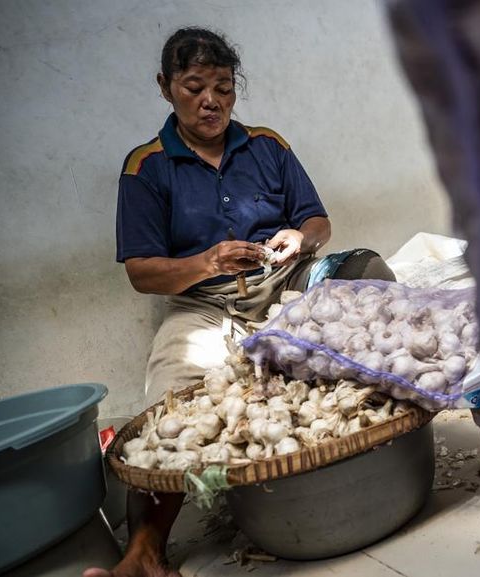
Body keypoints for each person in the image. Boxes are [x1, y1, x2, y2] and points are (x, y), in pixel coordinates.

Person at [86, 27, 394, 577]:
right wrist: (208, 262)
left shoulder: (268, 146)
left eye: (224, 87)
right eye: (194, 86)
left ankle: (389, 439)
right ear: (166, 88)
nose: (211, 101)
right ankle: (145, 550)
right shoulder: (147, 167)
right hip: (204, 306)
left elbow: (317, 220)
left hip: (285, 286)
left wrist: (302, 239)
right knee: (170, 406)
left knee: (368, 279)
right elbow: (142, 272)